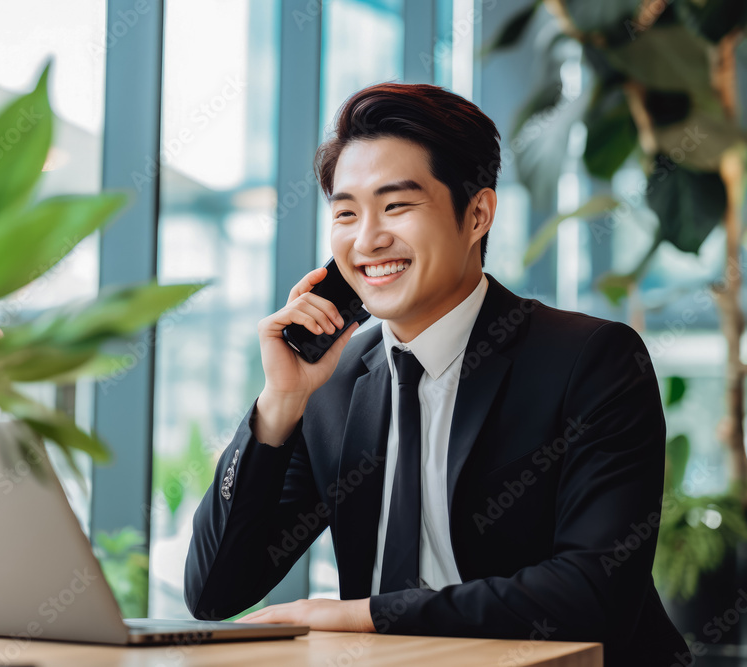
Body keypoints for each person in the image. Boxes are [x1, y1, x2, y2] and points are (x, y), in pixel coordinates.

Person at [183, 82, 688, 666]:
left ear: (477, 214)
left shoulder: (589, 360)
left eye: (396, 205)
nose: (368, 239)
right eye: (346, 212)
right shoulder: (333, 384)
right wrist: (279, 403)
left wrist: (364, 614)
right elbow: (214, 593)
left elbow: (591, 593)